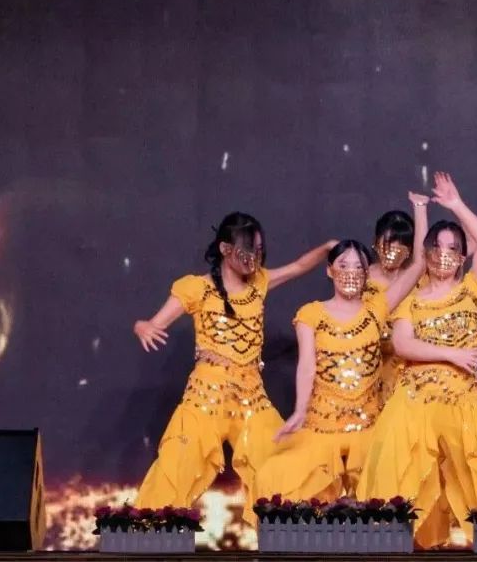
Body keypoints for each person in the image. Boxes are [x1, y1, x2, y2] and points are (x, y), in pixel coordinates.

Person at [357, 173, 477, 549]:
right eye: (438, 246)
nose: (444, 254)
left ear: (462, 256)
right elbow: (402, 344)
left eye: (453, 248)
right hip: (413, 403)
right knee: (397, 480)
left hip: (463, 403)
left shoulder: (473, 290)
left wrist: (455, 204)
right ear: (426, 252)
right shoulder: (410, 299)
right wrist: (452, 354)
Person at [132, 212, 335, 515]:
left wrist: (327, 247)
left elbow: (298, 266)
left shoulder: (259, 282)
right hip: (205, 397)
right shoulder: (196, 288)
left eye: (259, 250)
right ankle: (149, 532)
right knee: (176, 465)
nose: (254, 258)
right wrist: (142, 327)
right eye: (247, 250)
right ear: (226, 249)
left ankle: (290, 535)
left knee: (280, 463)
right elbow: (151, 323)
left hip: (251, 398)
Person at [253, 193, 428, 503]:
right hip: (322, 427)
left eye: (358, 267)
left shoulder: (378, 307)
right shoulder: (311, 314)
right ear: (329, 270)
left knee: (396, 486)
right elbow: (307, 365)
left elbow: (418, 265)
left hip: (368, 427)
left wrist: (420, 208)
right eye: (343, 265)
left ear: (366, 274)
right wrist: (300, 410)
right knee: (274, 479)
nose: (350, 272)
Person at [366, 208, 426, 404]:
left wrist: (420, 208)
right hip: (366, 367)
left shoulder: (416, 279)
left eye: (402, 245)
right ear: (376, 241)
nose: (394, 250)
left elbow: (421, 260)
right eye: (389, 242)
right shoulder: (360, 277)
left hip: (405, 370)